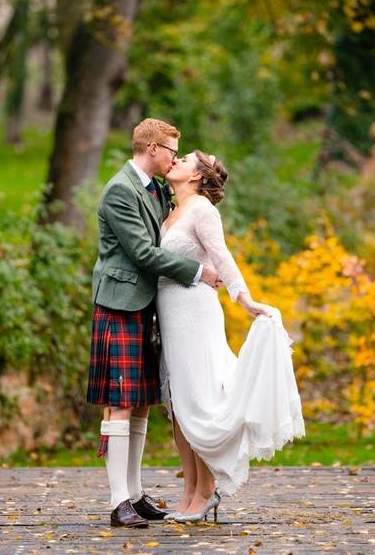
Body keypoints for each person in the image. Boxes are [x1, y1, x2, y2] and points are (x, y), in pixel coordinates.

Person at [157, 150, 305, 522]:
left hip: (195, 313)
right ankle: (190, 489)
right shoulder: (170, 209)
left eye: (184, 159)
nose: (175, 160)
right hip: (170, 316)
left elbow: (221, 256)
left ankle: (207, 490)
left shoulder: (203, 210)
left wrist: (244, 298)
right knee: (178, 405)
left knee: (198, 400)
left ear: (196, 176)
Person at [86, 119, 221, 529]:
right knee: (120, 403)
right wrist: (198, 273)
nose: (174, 158)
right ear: (153, 148)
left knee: (141, 402)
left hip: (146, 306)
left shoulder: (156, 188)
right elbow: (144, 253)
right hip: (120, 303)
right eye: (171, 150)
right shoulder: (119, 191)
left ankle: (135, 494)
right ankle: (117, 502)